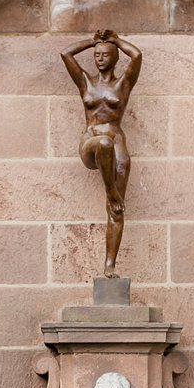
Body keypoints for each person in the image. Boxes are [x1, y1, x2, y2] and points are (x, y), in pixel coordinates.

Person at [61, 29, 142, 277]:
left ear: (115, 57)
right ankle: (110, 191)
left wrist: (116, 40)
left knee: (116, 209)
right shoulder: (85, 82)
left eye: (105, 55)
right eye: (96, 55)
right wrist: (93, 42)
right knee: (104, 144)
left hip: (117, 142)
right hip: (92, 140)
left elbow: (137, 55)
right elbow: (65, 53)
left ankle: (110, 265)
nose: (99, 58)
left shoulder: (123, 84)